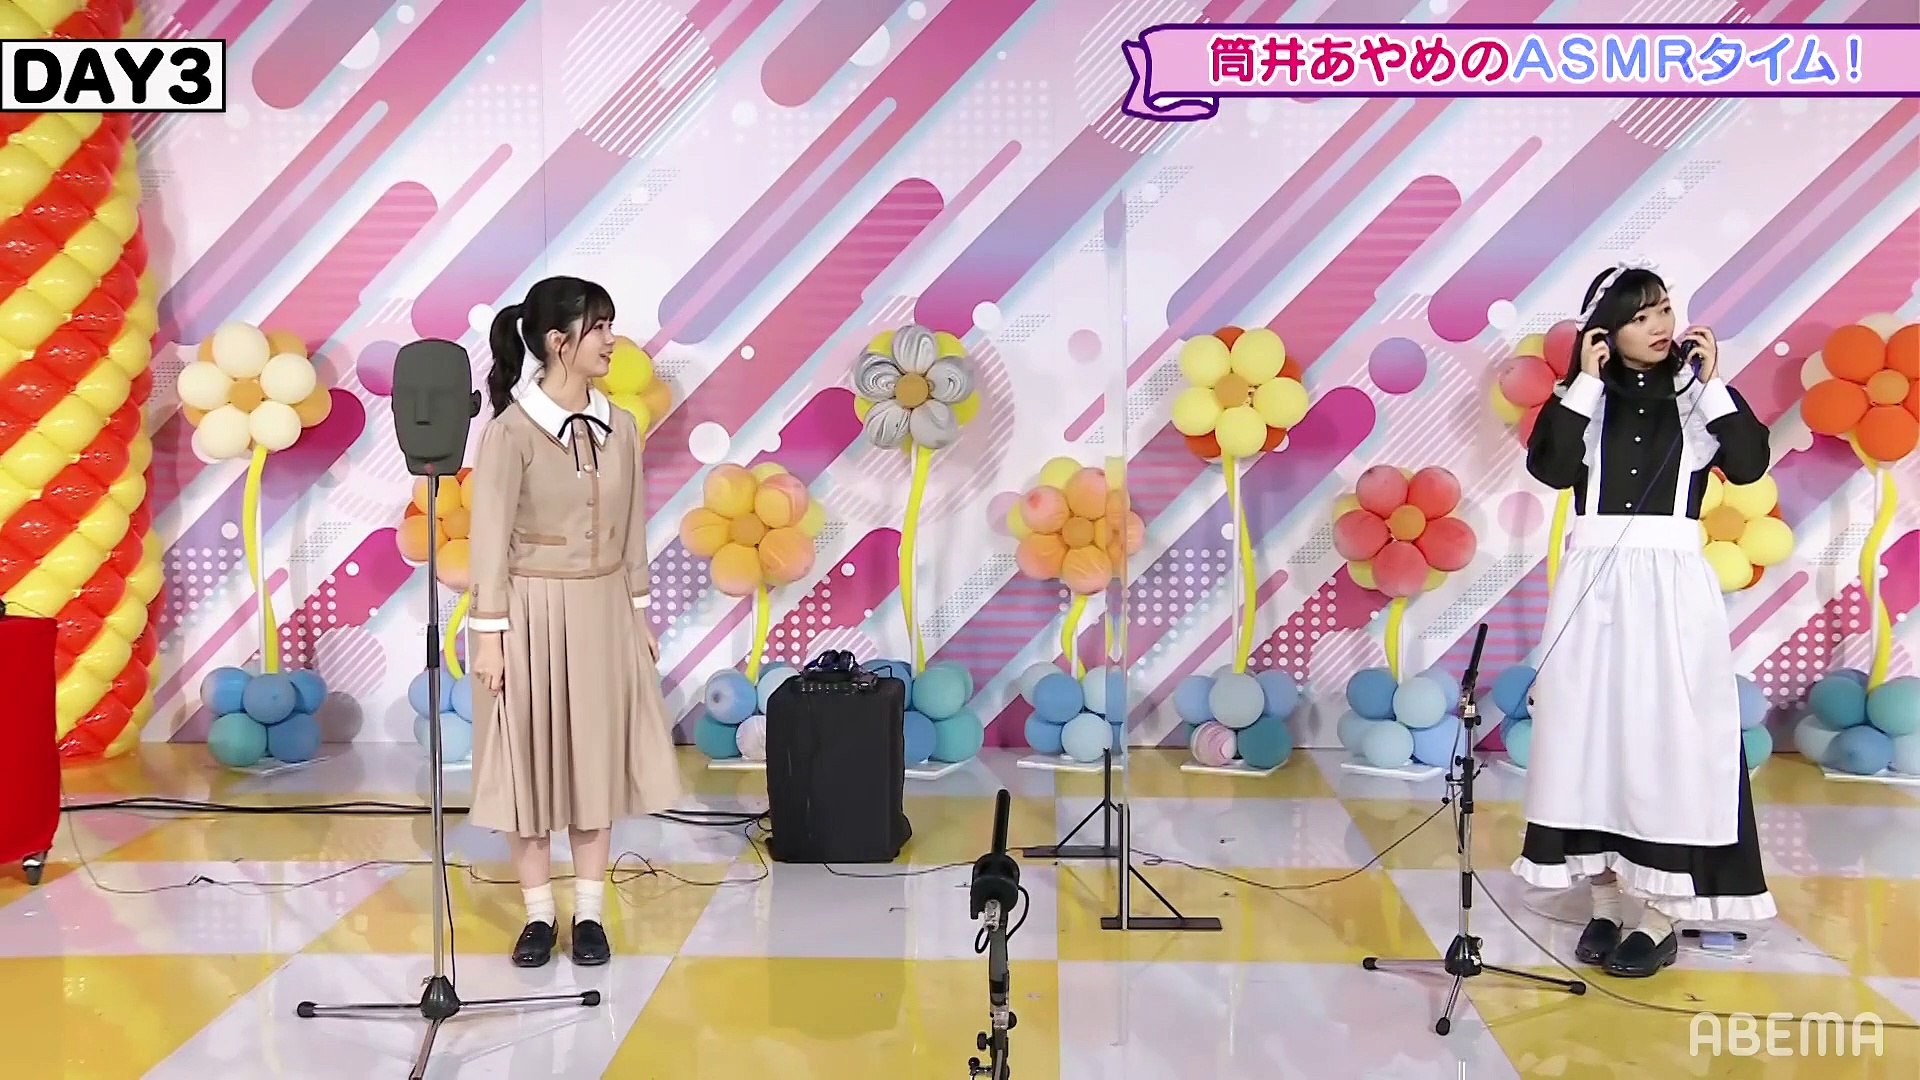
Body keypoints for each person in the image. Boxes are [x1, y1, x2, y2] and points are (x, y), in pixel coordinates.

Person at [1511, 265, 1775, 979]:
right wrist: (1584, 381)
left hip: (1671, 588)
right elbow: (1552, 469)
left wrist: (1712, 384)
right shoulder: (1582, 400)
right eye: (1639, 316)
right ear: (1604, 333)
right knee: (1586, 733)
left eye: (1663, 310)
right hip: (1593, 584)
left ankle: (1660, 915)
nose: (1659, 325)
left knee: (1670, 738)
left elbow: (1749, 463)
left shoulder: (1697, 396)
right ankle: (1605, 901)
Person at [466, 275, 682, 968]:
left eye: (611, 325)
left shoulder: (621, 427)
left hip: (602, 610)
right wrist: (490, 636)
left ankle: (589, 913)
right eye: (599, 328)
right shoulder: (510, 433)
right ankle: (538, 915)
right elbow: (488, 540)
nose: (612, 340)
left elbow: (633, 527)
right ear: (559, 342)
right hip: (528, 613)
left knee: (594, 763)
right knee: (529, 770)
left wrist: (639, 612)